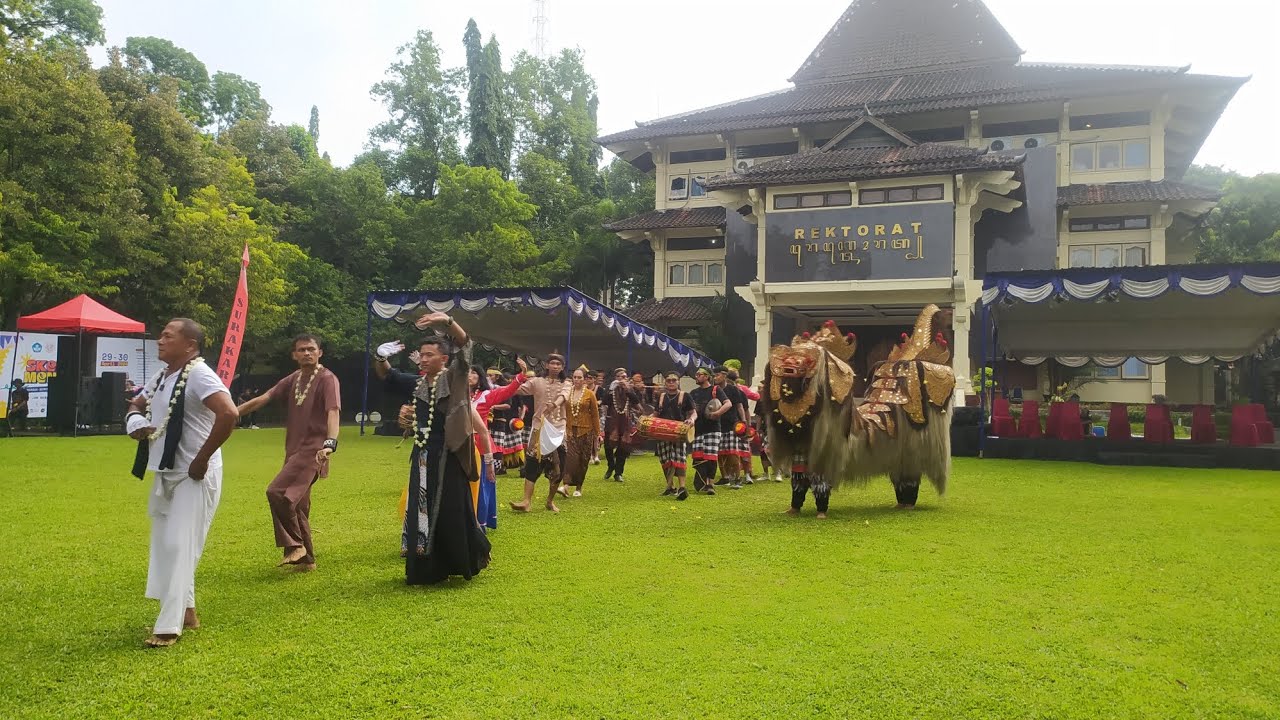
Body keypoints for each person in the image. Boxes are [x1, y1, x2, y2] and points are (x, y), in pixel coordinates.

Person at [124, 318, 237, 648]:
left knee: (180, 544)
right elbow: (137, 402)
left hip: (194, 474)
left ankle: (168, 626)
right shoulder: (163, 375)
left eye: (168, 336)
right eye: (161, 335)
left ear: (190, 345)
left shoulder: (199, 374)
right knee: (167, 543)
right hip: (167, 471)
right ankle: (187, 613)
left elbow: (229, 414)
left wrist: (202, 459)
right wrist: (135, 421)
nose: (160, 340)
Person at [372, 312, 491, 585]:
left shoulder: (453, 377)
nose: (424, 359)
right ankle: (426, 567)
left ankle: (461, 558)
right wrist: (380, 357)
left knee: (450, 507)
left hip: (449, 453)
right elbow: (387, 376)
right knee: (421, 506)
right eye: (422, 355)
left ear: (444, 358)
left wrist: (448, 322)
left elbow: (465, 344)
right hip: (423, 453)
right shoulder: (417, 384)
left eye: (430, 355)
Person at [235, 334, 340, 572]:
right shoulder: (294, 379)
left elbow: (333, 411)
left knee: (277, 492)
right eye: (302, 350)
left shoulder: (327, 379)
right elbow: (264, 398)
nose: (307, 353)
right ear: (294, 355)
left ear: (320, 352)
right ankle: (307, 561)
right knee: (299, 505)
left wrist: (330, 443)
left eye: (311, 349)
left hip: (314, 450)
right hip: (293, 450)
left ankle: (295, 545)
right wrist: (231, 412)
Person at [509, 353, 570, 513]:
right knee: (532, 464)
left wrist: (554, 405)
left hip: (558, 430)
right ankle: (526, 501)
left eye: (558, 364)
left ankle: (550, 501)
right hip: (539, 428)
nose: (555, 366)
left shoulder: (567, 383)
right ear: (546, 365)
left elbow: (564, 396)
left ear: (562, 367)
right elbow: (516, 389)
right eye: (552, 363)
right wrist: (522, 373)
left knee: (558, 467)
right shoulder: (537, 382)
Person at [689, 367, 731, 495]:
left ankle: (710, 484)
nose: (696, 376)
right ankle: (702, 480)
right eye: (696, 374)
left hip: (712, 428)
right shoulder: (693, 393)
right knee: (698, 456)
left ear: (707, 376)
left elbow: (728, 403)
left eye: (699, 374)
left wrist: (717, 413)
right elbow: (689, 409)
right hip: (698, 428)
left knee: (710, 456)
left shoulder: (716, 390)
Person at [559, 366, 600, 498]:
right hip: (570, 430)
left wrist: (597, 433)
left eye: (579, 377)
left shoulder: (589, 394)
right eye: (575, 377)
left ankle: (579, 487)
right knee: (571, 458)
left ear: (584, 379)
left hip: (586, 430)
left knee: (583, 460)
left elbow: (595, 415)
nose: (577, 380)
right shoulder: (568, 393)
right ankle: (565, 486)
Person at [654, 372, 696, 500]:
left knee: (679, 458)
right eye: (669, 380)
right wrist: (646, 420)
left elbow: (693, 413)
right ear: (665, 382)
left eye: (674, 380)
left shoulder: (685, 395)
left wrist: (691, 420)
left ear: (678, 382)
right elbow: (656, 414)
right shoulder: (661, 396)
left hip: (679, 432)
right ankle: (670, 487)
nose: (671, 382)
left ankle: (682, 487)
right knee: (665, 459)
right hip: (662, 432)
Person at [602, 367, 641, 483]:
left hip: (625, 422)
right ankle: (611, 466)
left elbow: (636, 402)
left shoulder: (630, 389)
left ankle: (618, 473)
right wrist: (610, 390)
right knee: (608, 446)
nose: (621, 379)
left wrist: (628, 390)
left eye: (623, 377)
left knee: (623, 448)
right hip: (612, 421)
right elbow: (604, 402)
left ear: (627, 378)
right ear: (615, 378)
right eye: (619, 377)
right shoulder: (610, 388)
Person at [715, 367, 749, 489]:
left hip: (731, 425)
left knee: (732, 453)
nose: (715, 377)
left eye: (717, 375)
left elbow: (740, 406)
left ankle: (737, 478)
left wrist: (744, 421)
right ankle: (725, 477)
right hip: (717, 425)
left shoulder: (733, 389)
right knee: (719, 454)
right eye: (714, 375)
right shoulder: (714, 390)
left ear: (724, 376)